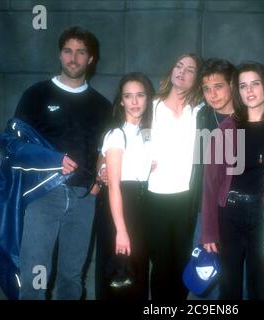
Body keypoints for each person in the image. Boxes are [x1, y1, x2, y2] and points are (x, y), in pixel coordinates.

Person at [14, 26, 111, 299]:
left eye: (81, 52)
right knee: (34, 274)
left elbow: (107, 149)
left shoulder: (102, 106)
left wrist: (96, 186)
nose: (73, 57)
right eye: (68, 51)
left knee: (71, 277)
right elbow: (16, 146)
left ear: (90, 59)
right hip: (43, 194)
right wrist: (52, 161)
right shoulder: (36, 95)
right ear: (60, 55)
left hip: (83, 197)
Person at [201, 61, 264, 299]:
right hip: (230, 214)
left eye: (255, 84)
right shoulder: (226, 129)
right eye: (243, 86)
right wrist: (208, 232)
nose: (249, 91)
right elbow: (211, 185)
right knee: (229, 286)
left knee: (262, 285)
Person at [147, 53, 203, 300]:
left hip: (187, 197)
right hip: (155, 195)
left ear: (197, 78)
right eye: (179, 65)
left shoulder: (199, 112)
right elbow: (138, 140)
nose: (182, 71)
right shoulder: (151, 106)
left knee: (182, 261)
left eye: (190, 69)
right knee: (160, 263)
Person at [96, 72, 154, 300]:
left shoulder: (148, 132)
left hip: (142, 205)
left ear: (148, 98)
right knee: (116, 276)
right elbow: (114, 186)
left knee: (137, 272)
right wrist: (120, 230)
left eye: (140, 95)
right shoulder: (116, 134)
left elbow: (150, 161)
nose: (135, 101)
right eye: (128, 96)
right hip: (120, 205)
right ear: (121, 101)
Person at [189, 58, 236, 299]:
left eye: (218, 86)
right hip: (205, 208)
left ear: (232, 85)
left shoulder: (248, 116)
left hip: (237, 210)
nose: (212, 94)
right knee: (204, 276)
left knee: (235, 278)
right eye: (206, 89)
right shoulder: (202, 116)